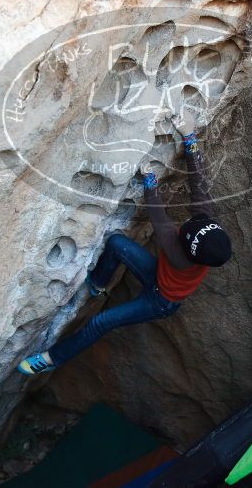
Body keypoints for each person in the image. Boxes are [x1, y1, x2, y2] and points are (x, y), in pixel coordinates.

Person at [18, 115, 232, 375]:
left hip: (161, 300)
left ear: (189, 249)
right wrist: (189, 136)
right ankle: (97, 284)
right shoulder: (204, 223)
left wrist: (150, 182)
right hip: (159, 275)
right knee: (117, 243)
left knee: (101, 321)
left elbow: (160, 220)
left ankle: (51, 359)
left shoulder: (179, 256)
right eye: (196, 222)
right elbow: (198, 182)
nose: (190, 220)